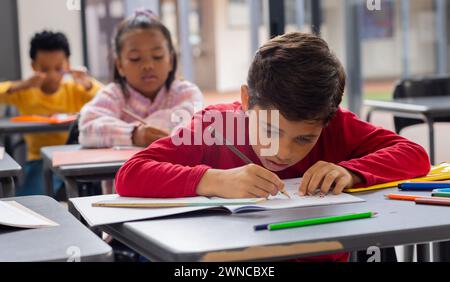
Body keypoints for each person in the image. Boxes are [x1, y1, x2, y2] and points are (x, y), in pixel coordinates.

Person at [115, 32, 430, 261]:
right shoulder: (216, 126)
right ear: (246, 100)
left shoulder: (335, 126)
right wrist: (214, 180)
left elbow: (414, 155)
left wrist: (351, 172)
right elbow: (130, 174)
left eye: (304, 138)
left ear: (326, 120)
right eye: (269, 129)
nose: (284, 151)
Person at [79, 9, 203, 149]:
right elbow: (86, 128)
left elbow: (191, 124)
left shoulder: (185, 93)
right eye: (135, 58)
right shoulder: (114, 95)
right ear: (119, 65)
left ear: (171, 60)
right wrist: (133, 135)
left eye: (157, 56)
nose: (148, 66)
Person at [0, 30, 101, 196]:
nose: (52, 75)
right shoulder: (26, 91)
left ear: (68, 65)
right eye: (45, 69)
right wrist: (20, 85)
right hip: (39, 158)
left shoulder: (75, 88)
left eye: (59, 68)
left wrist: (88, 84)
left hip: (75, 155)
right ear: (33, 66)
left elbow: (108, 98)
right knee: (33, 201)